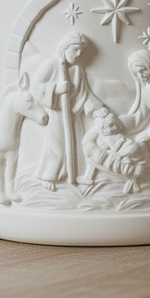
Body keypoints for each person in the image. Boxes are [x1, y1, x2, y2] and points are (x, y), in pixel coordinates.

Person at [30, 32, 106, 189]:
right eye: (75, 49)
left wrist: (96, 107)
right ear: (65, 48)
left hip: (71, 115)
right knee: (56, 146)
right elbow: (35, 87)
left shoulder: (78, 70)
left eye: (81, 51)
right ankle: (47, 177)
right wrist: (55, 89)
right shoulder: (51, 64)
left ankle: (75, 176)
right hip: (56, 114)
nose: (78, 54)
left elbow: (85, 95)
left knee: (76, 144)